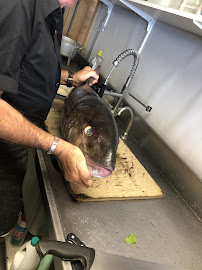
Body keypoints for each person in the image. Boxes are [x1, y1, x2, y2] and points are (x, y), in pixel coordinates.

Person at [0, 0, 99, 236]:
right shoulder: (17, 6)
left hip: (18, 138)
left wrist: (71, 77)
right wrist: (58, 147)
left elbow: (27, 66)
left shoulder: (53, 9)